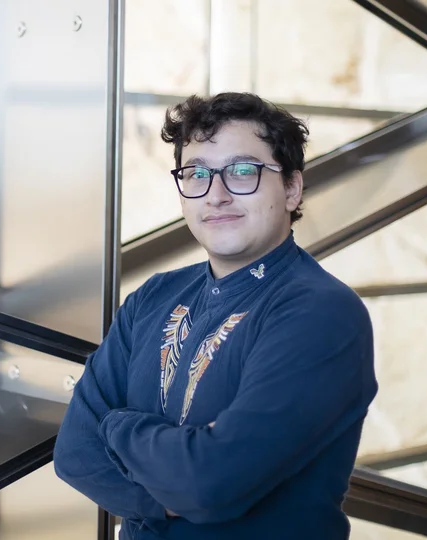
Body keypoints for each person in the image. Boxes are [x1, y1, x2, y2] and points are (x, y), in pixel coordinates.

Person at [53, 92, 378, 539]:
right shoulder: (153, 297)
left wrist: (117, 424)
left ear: (291, 189)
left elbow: (210, 485)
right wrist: (173, 490)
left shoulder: (321, 313)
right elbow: (74, 453)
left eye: (243, 171)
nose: (217, 195)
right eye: (198, 174)